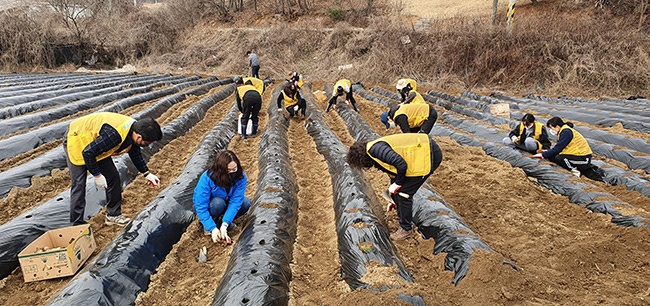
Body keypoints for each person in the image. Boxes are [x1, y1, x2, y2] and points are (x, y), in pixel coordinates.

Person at [64, 112, 162, 226]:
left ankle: (113, 215)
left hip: (96, 143)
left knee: (113, 176)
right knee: (79, 183)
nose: (146, 145)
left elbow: (135, 154)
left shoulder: (133, 132)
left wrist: (147, 173)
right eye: (146, 142)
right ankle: (77, 224)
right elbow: (88, 153)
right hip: (78, 138)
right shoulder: (114, 135)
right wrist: (97, 175)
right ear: (139, 136)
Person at [346, 134, 443, 240]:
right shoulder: (373, 152)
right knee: (398, 193)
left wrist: (398, 184)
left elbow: (401, 165)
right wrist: (392, 197)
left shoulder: (376, 151)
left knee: (404, 193)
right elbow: (394, 173)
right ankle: (403, 221)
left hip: (428, 154)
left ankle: (406, 229)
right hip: (419, 154)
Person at [193, 150, 251, 245]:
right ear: (221, 170)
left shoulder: (240, 177)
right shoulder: (207, 178)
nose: (232, 172)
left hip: (226, 202)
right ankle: (212, 223)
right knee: (217, 203)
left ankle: (223, 222)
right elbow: (201, 206)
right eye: (229, 170)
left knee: (245, 203)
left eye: (235, 168)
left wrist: (225, 224)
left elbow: (236, 201)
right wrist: (212, 228)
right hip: (211, 206)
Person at [533, 117, 604, 180]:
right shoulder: (562, 132)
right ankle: (570, 166)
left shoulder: (566, 132)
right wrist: (546, 151)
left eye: (552, 128)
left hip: (583, 158)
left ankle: (574, 171)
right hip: (573, 155)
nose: (551, 130)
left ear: (557, 126)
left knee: (560, 158)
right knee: (552, 156)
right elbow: (559, 147)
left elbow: (558, 149)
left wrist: (543, 155)